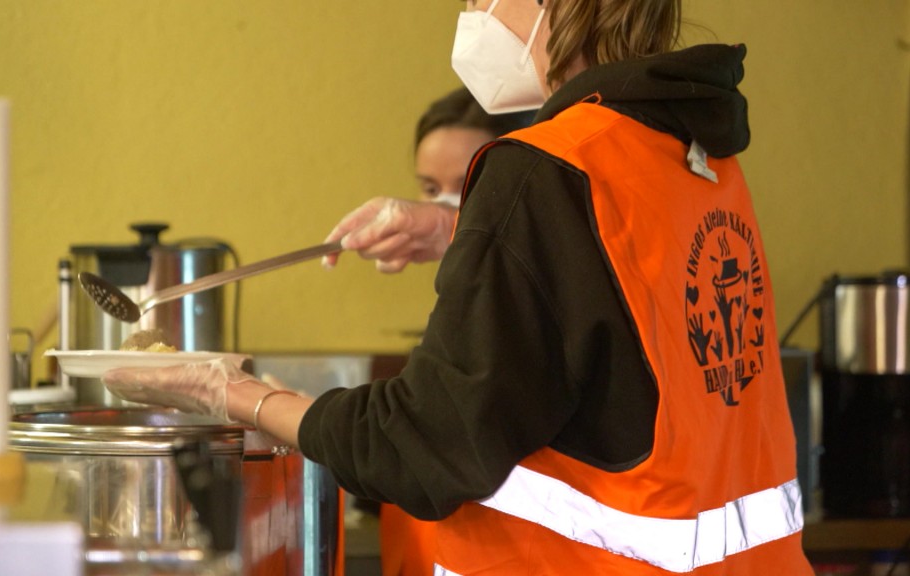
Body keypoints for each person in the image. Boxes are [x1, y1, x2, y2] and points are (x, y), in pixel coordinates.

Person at [104, 0, 814, 573]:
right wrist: (458, 230)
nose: (469, 13)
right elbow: (619, 302)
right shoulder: (695, 154)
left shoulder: (543, 170)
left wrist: (229, 393)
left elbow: (420, 447)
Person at [369, 86, 533, 576]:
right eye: (428, 187)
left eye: (465, 186)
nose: (441, 207)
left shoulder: (523, 306)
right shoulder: (455, 296)